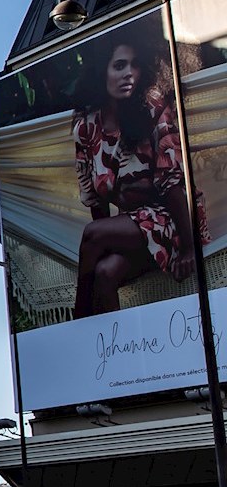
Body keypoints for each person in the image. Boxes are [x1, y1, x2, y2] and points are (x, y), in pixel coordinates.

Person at [71, 25, 208, 318]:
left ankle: (78, 320)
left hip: (174, 218)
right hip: (129, 228)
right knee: (105, 273)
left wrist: (189, 248)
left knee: (93, 235)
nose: (129, 73)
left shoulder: (152, 105)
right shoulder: (86, 127)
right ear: (101, 72)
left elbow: (172, 182)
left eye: (134, 65)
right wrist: (104, 250)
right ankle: (118, 353)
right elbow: (96, 201)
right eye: (119, 65)